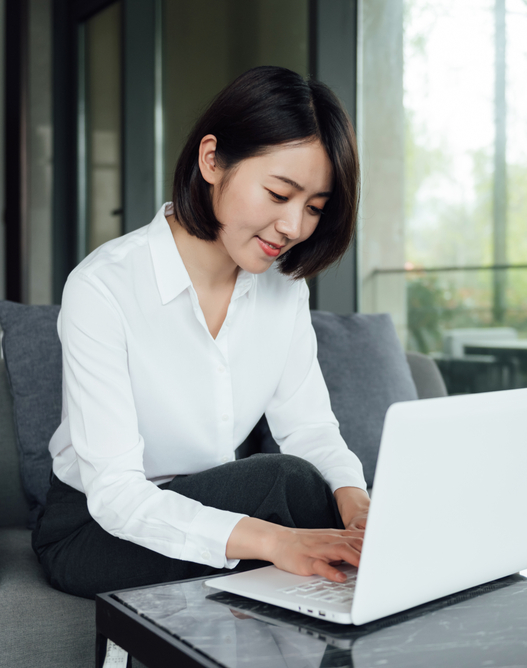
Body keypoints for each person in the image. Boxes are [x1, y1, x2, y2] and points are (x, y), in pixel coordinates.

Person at [31, 66, 370, 599]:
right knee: (288, 483)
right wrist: (277, 541)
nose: (294, 227)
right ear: (212, 160)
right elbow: (117, 496)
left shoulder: (284, 291)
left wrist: (356, 501)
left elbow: (310, 428)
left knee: (324, 504)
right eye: (279, 193)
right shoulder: (103, 287)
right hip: (95, 528)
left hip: (213, 503)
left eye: (314, 209)